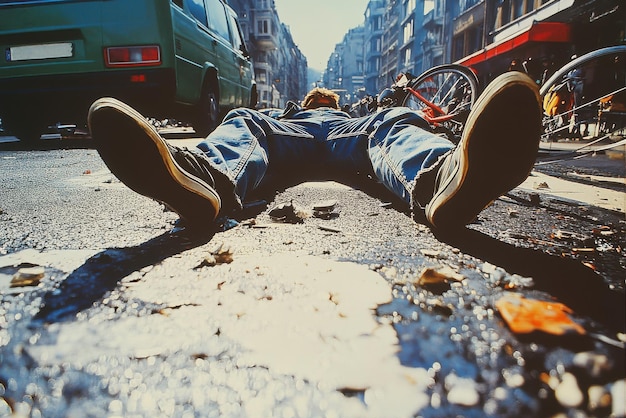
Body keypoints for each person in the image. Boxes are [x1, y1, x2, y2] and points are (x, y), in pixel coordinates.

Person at [88, 72, 542, 231]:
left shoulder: (352, 112)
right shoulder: (289, 113)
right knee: (246, 119)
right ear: (310, 103)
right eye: (319, 99)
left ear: (333, 103)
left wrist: (376, 107)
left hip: (349, 136)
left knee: (390, 121)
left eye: (326, 99)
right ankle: (200, 178)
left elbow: (382, 117)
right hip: (297, 138)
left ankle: (445, 180)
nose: (322, 100)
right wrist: (291, 115)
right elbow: (260, 124)